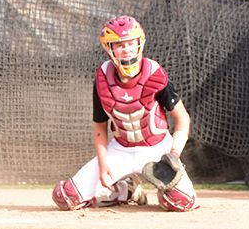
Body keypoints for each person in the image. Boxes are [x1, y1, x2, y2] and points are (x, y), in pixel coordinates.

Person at [52, 15, 198, 212]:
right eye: (120, 45)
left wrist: (173, 155)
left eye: (131, 43)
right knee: (65, 197)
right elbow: (100, 128)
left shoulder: (154, 73)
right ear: (109, 49)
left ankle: (158, 190)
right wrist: (103, 167)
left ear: (140, 42)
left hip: (157, 150)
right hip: (121, 149)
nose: (127, 49)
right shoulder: (103, 78)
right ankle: (127, 189)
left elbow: (182, 118)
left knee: (180, 201)